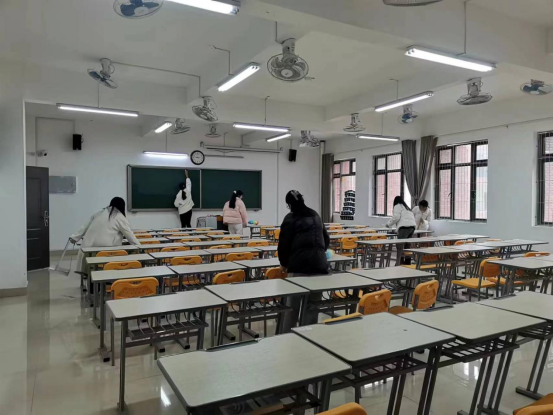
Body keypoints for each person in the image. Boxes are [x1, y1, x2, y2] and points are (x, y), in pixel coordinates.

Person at [278, 190, 330, 331]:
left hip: (298, 266)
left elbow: (284, 244)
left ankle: (287, 335)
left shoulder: (291, 218)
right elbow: (326, 239)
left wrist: (283, 264)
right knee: (312, 306)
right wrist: (318, 253)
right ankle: (308, 335)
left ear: (289, 204)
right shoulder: (315, 215)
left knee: (291, 306)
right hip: (320, 266)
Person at [71, 197, 141, 275]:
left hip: (87, 248)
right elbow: (130, 236)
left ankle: (89, 276)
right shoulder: (120, 217)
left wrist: (74, 237)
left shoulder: (98, 213)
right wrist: (140, 247)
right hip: (104, 251)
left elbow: (84, 227)